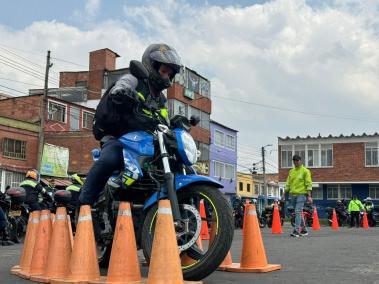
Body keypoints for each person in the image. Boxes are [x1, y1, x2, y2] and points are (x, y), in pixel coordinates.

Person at [79, 44, 183, 206]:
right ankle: (84, 202)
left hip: (144, 142)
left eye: (169, 74)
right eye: (163, 71)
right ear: (151, 66)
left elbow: (164, 121)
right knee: (110, 158)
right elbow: (122, 85)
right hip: (119, 136)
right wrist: (122, 91)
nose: (166, 77)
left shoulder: (161, 99)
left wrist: (173, 126)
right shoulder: (134, 79)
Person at [282, 154, 313, 237]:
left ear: (300, 161)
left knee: (297, 211)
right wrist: (284, 194)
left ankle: (296, 231)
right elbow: (288, 183)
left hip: (302, 194)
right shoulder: (291, 171)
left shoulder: (305, 171)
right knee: (298, 213)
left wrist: (309, 196)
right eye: (294, 161)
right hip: (293, 195)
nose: (295, 162)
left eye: (297, 161)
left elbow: (308, 183)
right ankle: (304, 230)